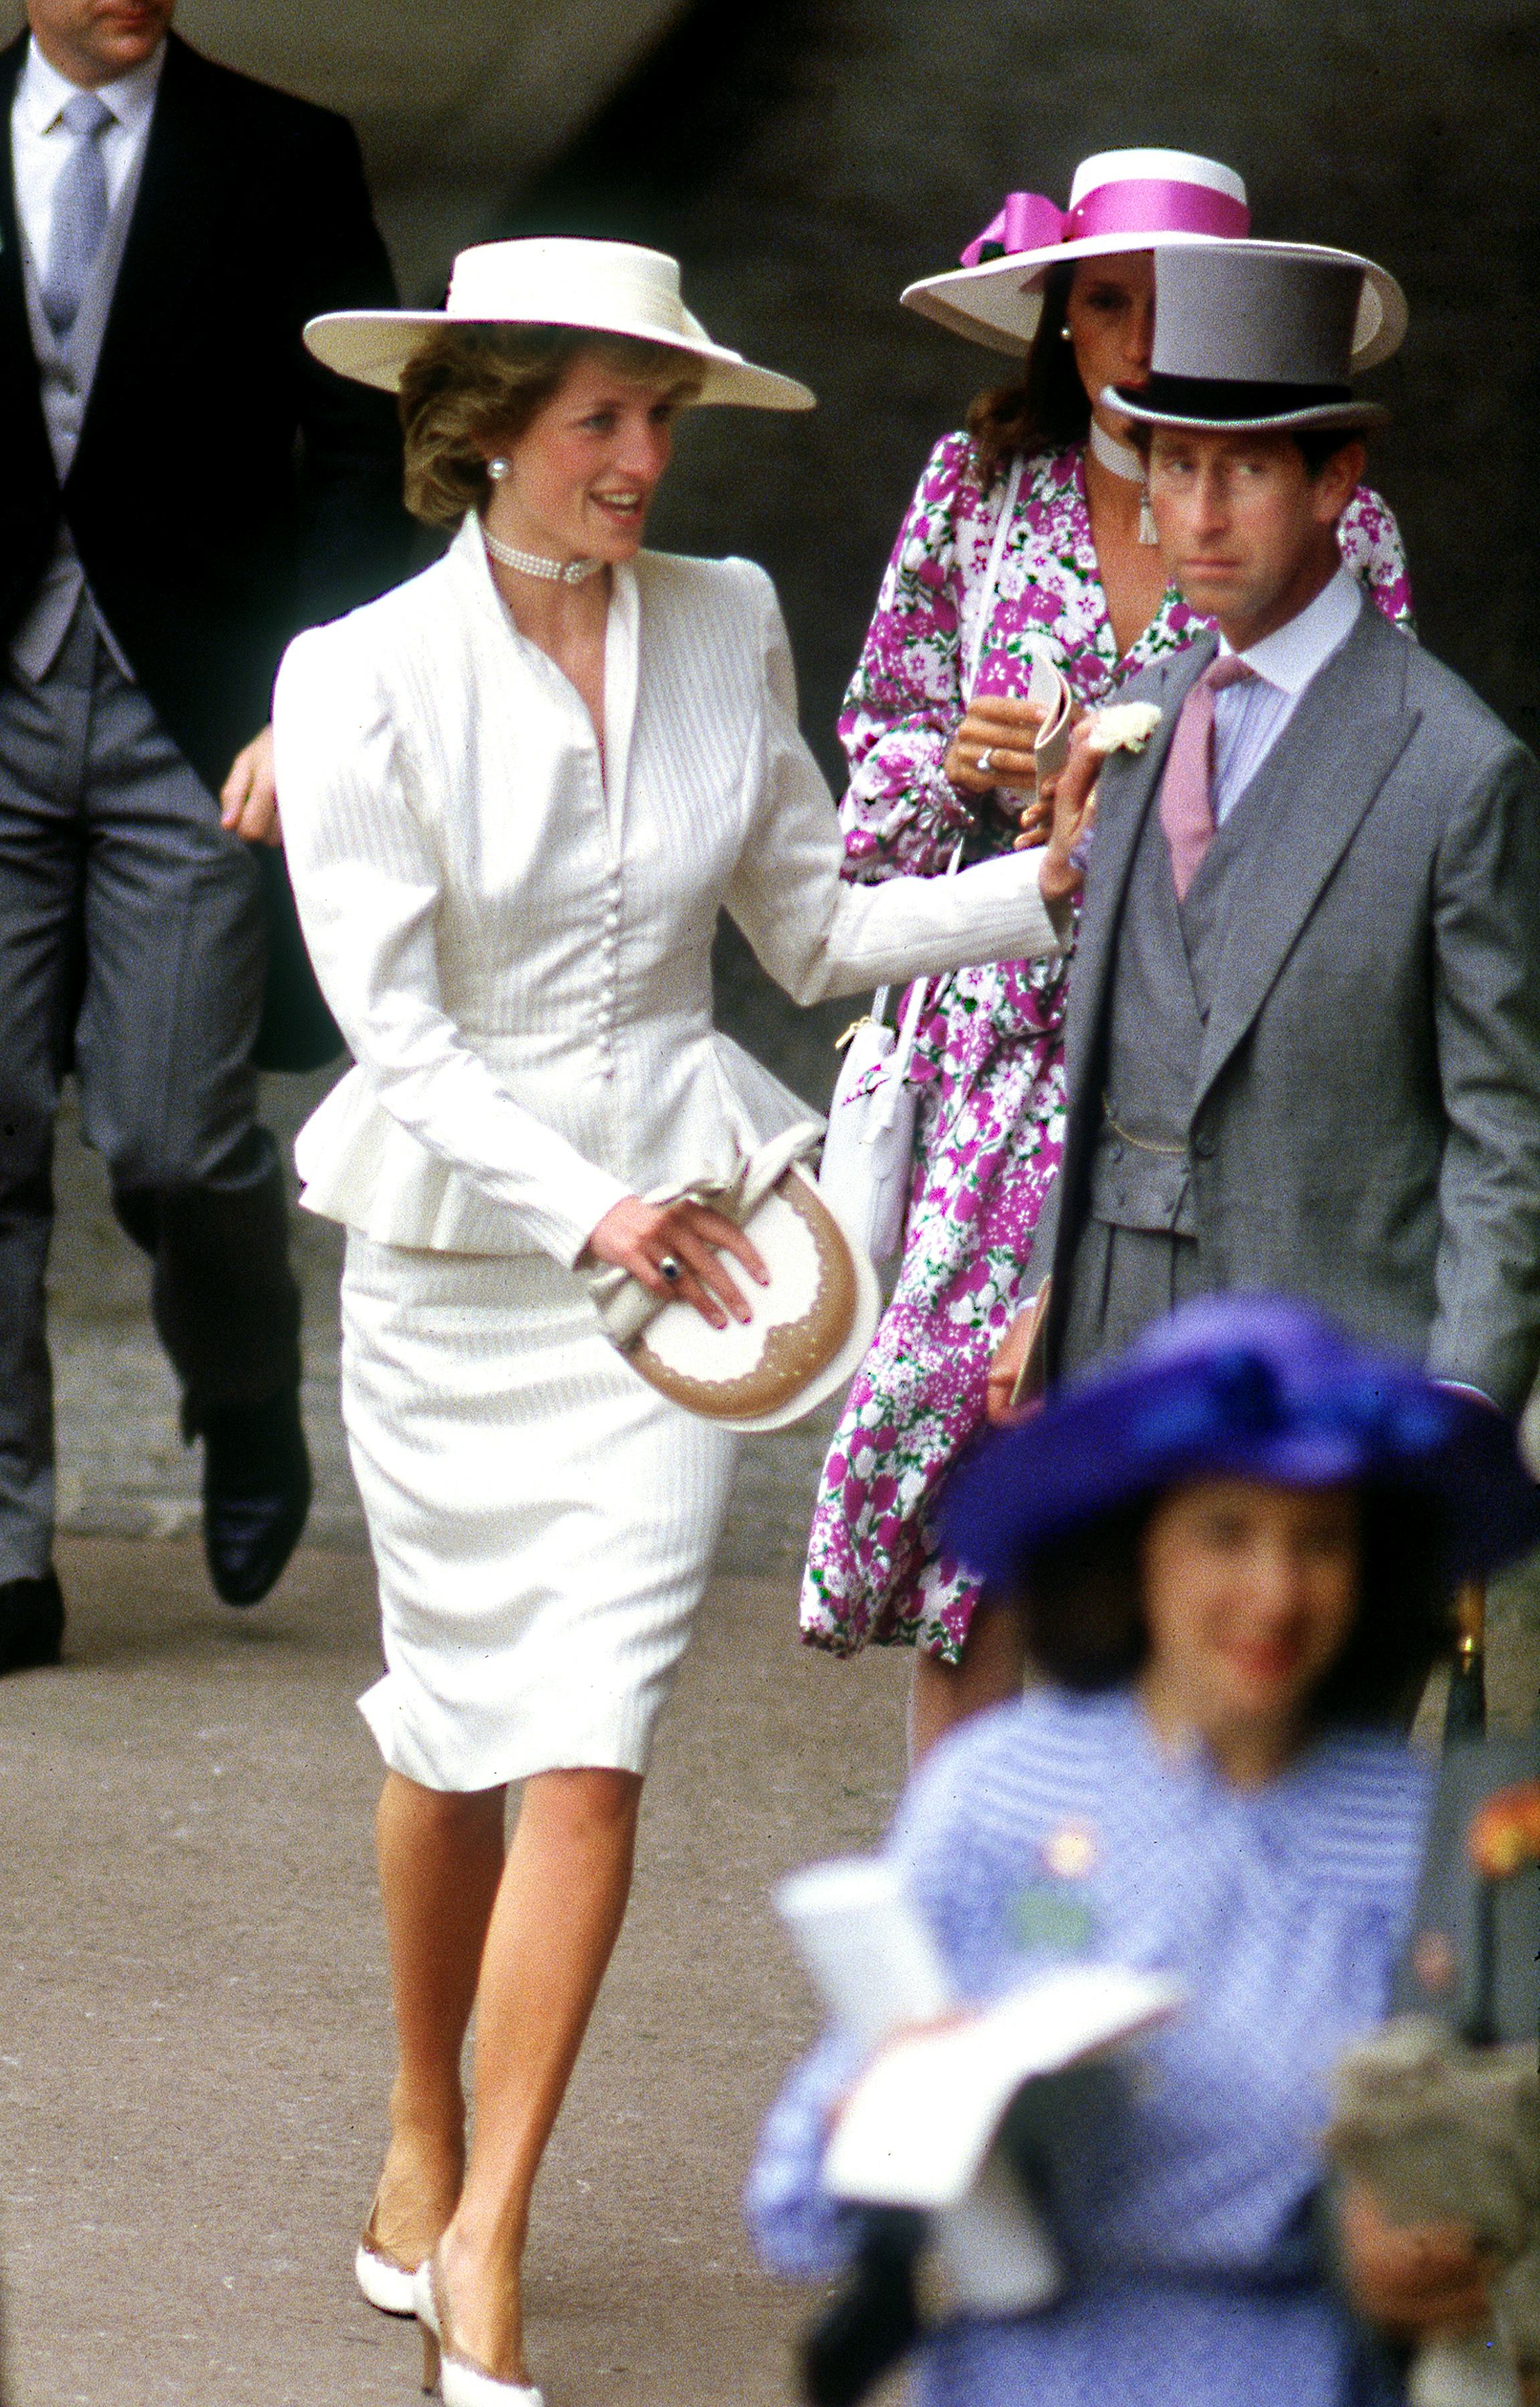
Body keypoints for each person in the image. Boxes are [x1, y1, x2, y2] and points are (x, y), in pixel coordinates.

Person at [271, 235, 1088, 2407]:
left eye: (662, 418)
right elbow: (400, 1035)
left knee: (592, 1743)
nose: (645, 459)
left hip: (691, 1275)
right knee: (451, 1738)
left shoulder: (726, 618)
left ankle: (489, 2239)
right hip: (460, 1271)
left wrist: (1053, 891)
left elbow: (812, 929)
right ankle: (422, 2123)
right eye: (602, 422)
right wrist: (583, 1204)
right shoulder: (351, 678)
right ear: (487, 433)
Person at [799, 150, 1412, 1760]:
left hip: (1206, 1059)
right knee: (976, 1521)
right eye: (1106, 302)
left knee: (1173, 1491)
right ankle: (964, 1952)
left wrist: (1146, 778)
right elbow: (870, 754)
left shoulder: (1331, 515)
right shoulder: (976, 487)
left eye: (1173, 305)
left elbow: (1371, 783)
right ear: (1058, 322)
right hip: (995, 1057)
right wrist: (962, 771)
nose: (1138, 343)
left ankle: (1162, 1923)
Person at [749, 1293, 1540, 2406]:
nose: (1274, 1591)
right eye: (1227, 1532)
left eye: (1318, 1542)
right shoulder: (997, 1792)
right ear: (1134, 1551)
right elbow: (791, 2204)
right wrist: (882, 2123)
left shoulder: (1425, 1835)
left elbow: (1499, 2163)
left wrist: (1446, 2234)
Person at [0, 0, 411, 1674]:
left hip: (205, 725)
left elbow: (361, 448)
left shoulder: (285, 154)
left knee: (178, 1139)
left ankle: (243, 1391)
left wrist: (309, 700)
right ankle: (10, 1547)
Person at [987, 237, 1540, 1415]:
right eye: (1175, 467)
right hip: (1106, 1344)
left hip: (1326, 1354)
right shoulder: (1137, 721)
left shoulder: (1457, 768)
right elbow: (1108, 1050)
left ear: (1336, 483)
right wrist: (1047, 1290)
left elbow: (1505, 1130)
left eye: (1243, 474)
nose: (1200, 515)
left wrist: (1467, 1397)